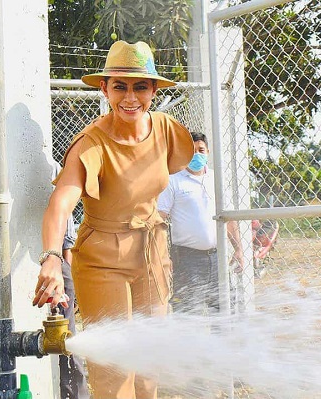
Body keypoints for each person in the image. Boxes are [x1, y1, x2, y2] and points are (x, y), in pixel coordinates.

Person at [32, 40, 194, 399]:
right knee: (116, 371)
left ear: (153, 89)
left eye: (140, 86)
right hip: (104, 258)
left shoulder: (167, 130)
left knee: (150, 366)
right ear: (104, 88)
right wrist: (52, 257)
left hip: (153, 252)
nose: (130, 97)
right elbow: (61, 202)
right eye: (119, 86)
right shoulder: (91, 143)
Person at [157, 132, 244, 314]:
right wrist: (163, 256)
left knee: (224, 311)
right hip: (187, 259)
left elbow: (227, 218)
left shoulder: (216, 180)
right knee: (188, 314)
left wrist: (238, 249)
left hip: (218, 257)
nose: (197, 154)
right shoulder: (173, 180)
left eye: (201, 150)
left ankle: (222, 342)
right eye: (192, 151)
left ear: (208, 151)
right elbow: (159, 220)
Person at [50, 164, 89, 399]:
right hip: (47, 260)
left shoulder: (55, 168)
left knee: (67, 336)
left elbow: (66, 220)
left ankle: (76, 395)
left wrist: (67, 268)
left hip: (58, 263)